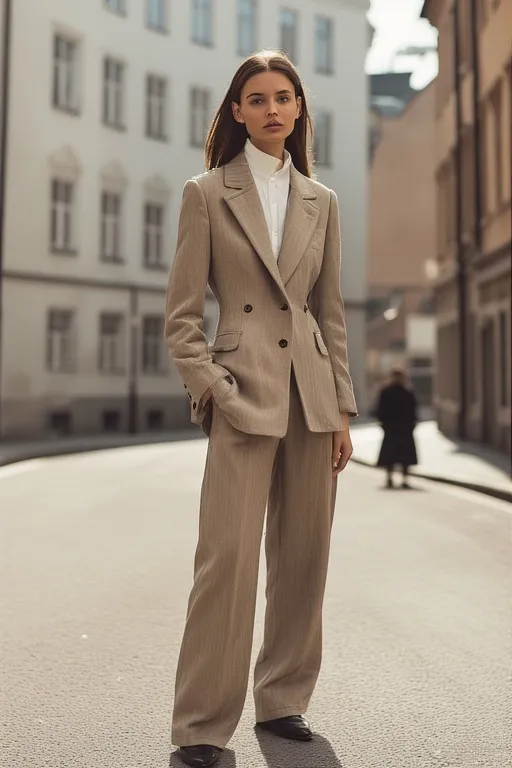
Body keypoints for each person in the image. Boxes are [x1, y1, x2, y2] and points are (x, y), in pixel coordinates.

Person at [164, 50, 357, 768]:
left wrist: (341, 408)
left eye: (284, 96)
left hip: (312, 397)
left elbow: (330, 315)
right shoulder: (206, 193)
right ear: (237, 112)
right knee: (227, 560)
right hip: (242, 396)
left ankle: (282, 703)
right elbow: (182, 318)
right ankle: (202, 727)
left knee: (305, 558)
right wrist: (213, 388)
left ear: (300, 108)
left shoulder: (323, 201)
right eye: (257, 98)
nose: (272, 108)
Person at [375, 366, 418, 489]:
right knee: (393, 456)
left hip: (400, 428)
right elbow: (381, 410)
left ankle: (401, 479)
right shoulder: (391, 392)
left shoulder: (405, 392)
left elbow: (413, 410)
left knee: (400, 456)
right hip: (396, 428)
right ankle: (391, 478)